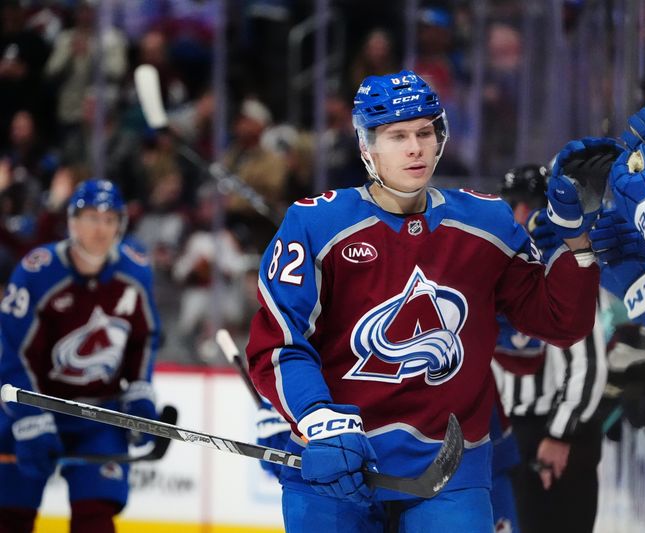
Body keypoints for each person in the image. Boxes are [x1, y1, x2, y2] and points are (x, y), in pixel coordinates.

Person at [245, 70, 602, 531]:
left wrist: (577, 242)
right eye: (396, 136)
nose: (414, 147)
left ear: (440, 138)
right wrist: (317, 416)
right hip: (337, 466)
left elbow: (559, 322)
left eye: (424, 132)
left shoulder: (487, 223)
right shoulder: (315, 224)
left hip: (450, 471)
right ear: (366, 147)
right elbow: (279, 344)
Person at [0, 179, 161, 533]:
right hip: (31, 405)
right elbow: (7, 347)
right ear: (72, 222)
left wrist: (139, 389)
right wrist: (28, 414)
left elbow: (144, 339)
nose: (100, 228)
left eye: (109, 219)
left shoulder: (134, 270)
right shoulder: (36, 271)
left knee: (95, 518)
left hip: (98, 413)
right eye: (91, 217)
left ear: (119, 224)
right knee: (10, 515)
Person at [493, 164, 608, 533]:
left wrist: (560, 434)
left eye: (527, 204)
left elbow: (588, 362)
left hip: (560, 431)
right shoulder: (502, 266)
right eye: (512, 204)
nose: (519, 215)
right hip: (515, 433)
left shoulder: (569, 263)